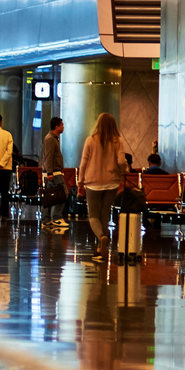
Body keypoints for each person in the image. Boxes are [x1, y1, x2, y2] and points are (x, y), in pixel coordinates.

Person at [78, 111, 126, 260]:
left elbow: (84, 162)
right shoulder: (118, 141)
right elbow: (121, 162)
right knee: (104, 216)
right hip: (111, 182)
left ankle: (101, 237)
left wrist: (80, 181)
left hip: (93, 183)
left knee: (93, 216)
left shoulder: (90, 140)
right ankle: (100, 249)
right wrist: (124, 171)